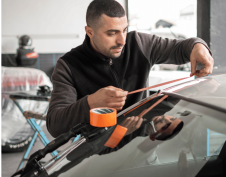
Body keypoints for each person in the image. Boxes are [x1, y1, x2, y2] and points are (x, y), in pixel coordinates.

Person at [46, 0, 214, 138]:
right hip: (97, 160)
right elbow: (54, 125)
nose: (122, 41)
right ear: (90, 31)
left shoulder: (139, 44)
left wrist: (198, 46)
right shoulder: (68, 65)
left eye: (124, 30)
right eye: (112, 33)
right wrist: (91, 103)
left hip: (143, 148)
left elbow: (182, 48)